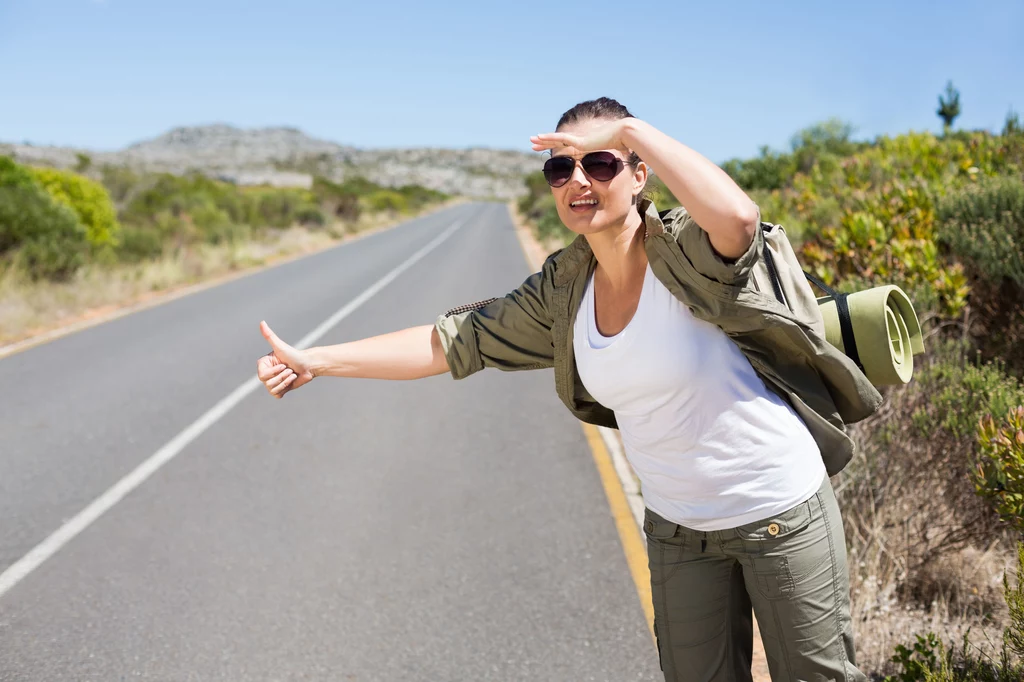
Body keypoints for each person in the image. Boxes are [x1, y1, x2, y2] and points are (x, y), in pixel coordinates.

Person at [256, 97, 880, 682]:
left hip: (776, 510)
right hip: (678, 531)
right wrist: (318, 359)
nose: (578, 182)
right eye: (561, 169)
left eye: (601, 163)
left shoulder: (688, 250)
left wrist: (630, 130)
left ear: (640, 174)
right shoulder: (564, 290)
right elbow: (451, 342)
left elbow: (740, 218)